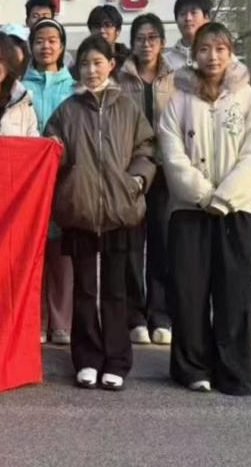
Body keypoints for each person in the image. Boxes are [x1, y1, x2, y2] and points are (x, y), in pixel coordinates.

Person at [159, 22, 251, 396]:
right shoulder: (178, 102)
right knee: (189, 293)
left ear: (231, 52)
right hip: (190, 211)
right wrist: (204, 196)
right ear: (194, 54)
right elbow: (172, 156)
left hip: (235, 211)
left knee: (233, 294)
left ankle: (234, 370)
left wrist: (224, 198)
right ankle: (192, 367)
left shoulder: (249, 100)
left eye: (220, 49)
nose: (212, 56)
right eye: (204, 49)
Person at [46, 36, 156, 391]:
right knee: (83, 290)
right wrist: (62, 172)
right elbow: (52, 154)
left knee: (115, 290)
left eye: (97, 63)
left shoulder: (127, 107)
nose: (91, 70)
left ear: (111, 64)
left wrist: (136, 181)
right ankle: (87, 359)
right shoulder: (67, 111)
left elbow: (145, 148)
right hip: (79, 211)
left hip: (119, 210)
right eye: (84, 64)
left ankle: (117, 359)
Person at [115, 13, 175, 346]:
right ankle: (134, 314)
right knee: (131, 245)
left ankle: (160, 313)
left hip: (166, 172)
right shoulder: (120, 79)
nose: (146, 43)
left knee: (162, 243)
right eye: (140, 38)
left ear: (162, 43)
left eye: (152, 38)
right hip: (132, 172)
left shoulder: (176, 78)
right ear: (132, 42)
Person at [22, 18, 77, 346]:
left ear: (62, 45)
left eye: (52, 40)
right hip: (29, 181)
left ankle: (62, 321)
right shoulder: (20, 87)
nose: (46, 46)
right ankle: (37, 319)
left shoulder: (74, 87)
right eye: (40, 40)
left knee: (62, 252)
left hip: (65, 177)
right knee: (34, 249)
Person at [164, 0, 213, 70]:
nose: (188, 18)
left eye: (193, 13)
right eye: (182, 14)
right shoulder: (165, 61)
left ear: (207, 17)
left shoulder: (219, 56)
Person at [87, 5, 131, 74]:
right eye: (97, 26)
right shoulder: (83, 59)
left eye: (107, 25)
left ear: (118, 30)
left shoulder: (130, 59)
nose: (102, 30)